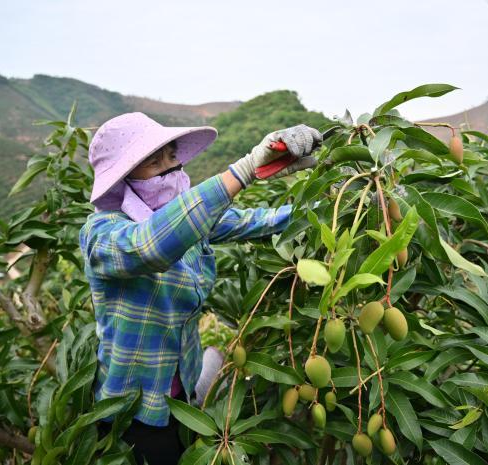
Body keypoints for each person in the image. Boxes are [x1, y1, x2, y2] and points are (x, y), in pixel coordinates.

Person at [79, 112, 322, 465]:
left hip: (183, 396)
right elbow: (149, 246)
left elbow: (257, 221)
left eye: (172, 156)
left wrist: (332, 205)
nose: (170, 169)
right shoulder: (102, 235)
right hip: (130, 411)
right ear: (123, 178)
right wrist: (246, 169)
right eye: (153, 162)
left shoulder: (189, 221)